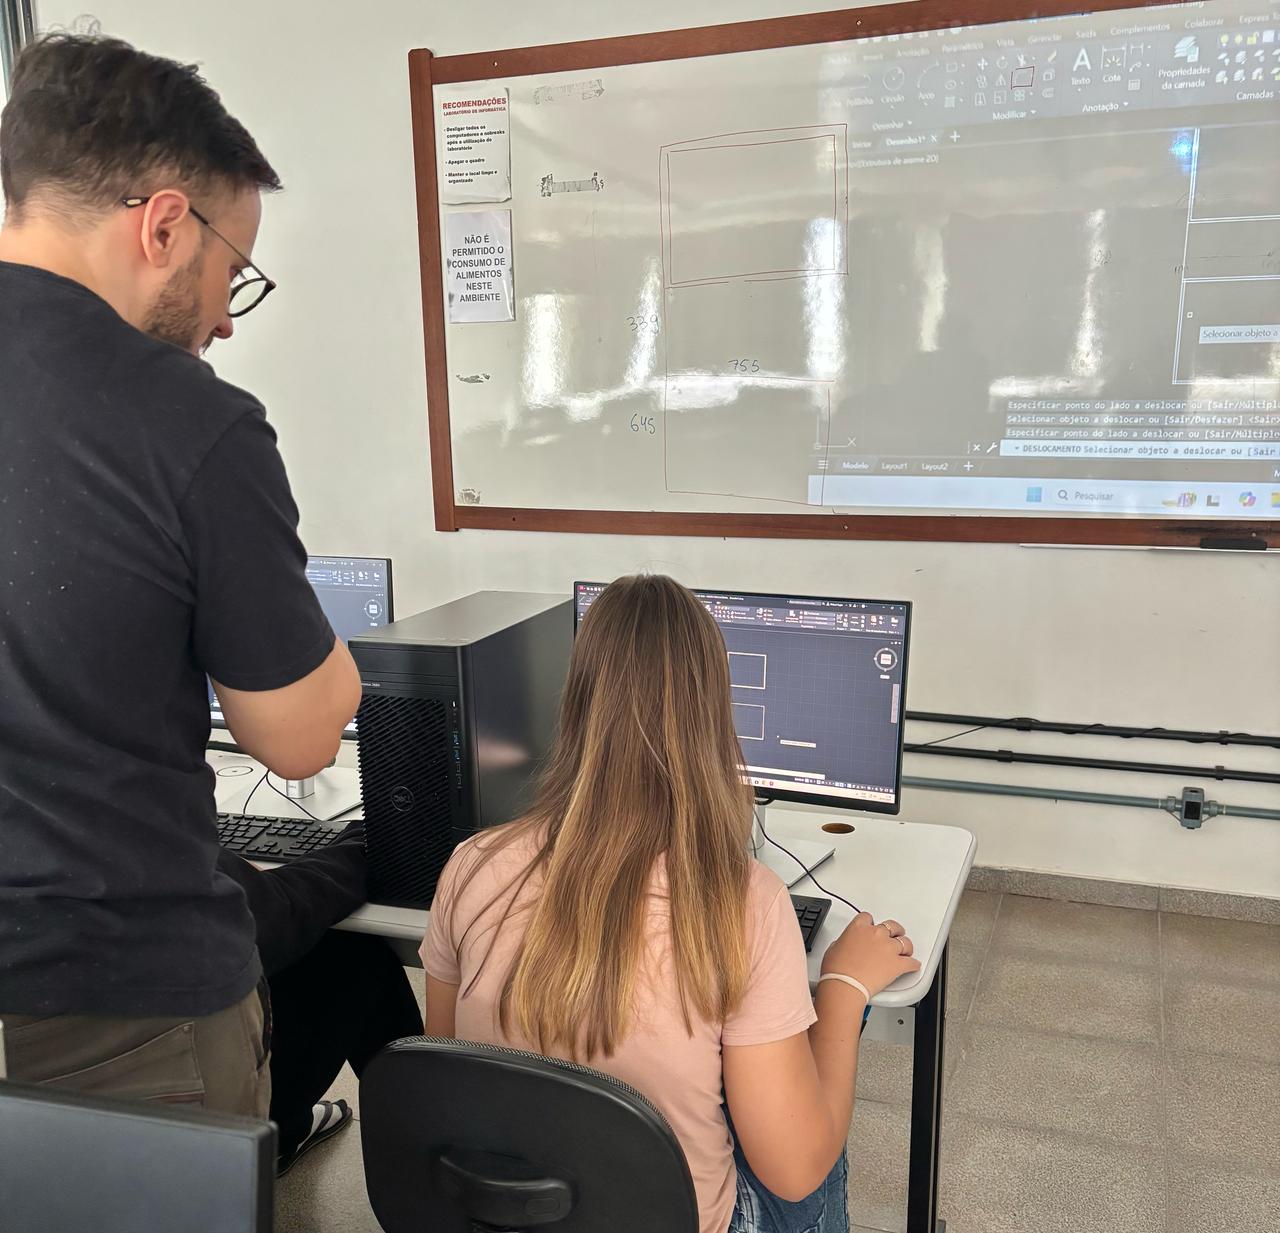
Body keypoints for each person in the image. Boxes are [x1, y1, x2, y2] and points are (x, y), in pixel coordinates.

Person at [0, 33, 362, 1116]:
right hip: (118, 1006)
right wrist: (334, 665)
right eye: (230, 271)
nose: (223, 317)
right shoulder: (189, 421)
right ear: (163, 225)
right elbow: (297, 737)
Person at [422, 574, 921, 1233]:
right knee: (804, 1105)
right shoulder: (745, 902)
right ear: (714, 711)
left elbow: (450, 1069)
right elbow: (795, 1171)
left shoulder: (472, 864)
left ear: (577, 699)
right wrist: (844, 989)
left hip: (510, 1215)